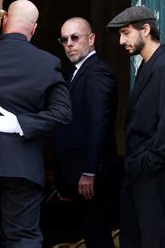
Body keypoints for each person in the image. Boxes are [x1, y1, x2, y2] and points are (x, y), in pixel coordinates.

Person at [0, 0, 72, 247]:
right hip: (22, 165)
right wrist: (21, 123)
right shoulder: (47, 62)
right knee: (23, 238)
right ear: (34, 28)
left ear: (4, 20)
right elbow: (63, 113)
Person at [106, 6, 165, 248]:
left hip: (153, 171)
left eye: (126, 33)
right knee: (134, 239)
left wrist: (147, 163)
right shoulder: (147, 65)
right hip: (140, 171)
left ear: (146, 29)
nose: (121, 41)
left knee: (155, 239)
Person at [53, 17, 117, 247]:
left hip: (92, 177)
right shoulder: (77, 72)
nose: (69, 43)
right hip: (79, 176)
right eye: (64, 39)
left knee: (97, 235)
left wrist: (89, 171)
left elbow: (98, 124)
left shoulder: (96, 73)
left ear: (91, 39)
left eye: (75, 37)